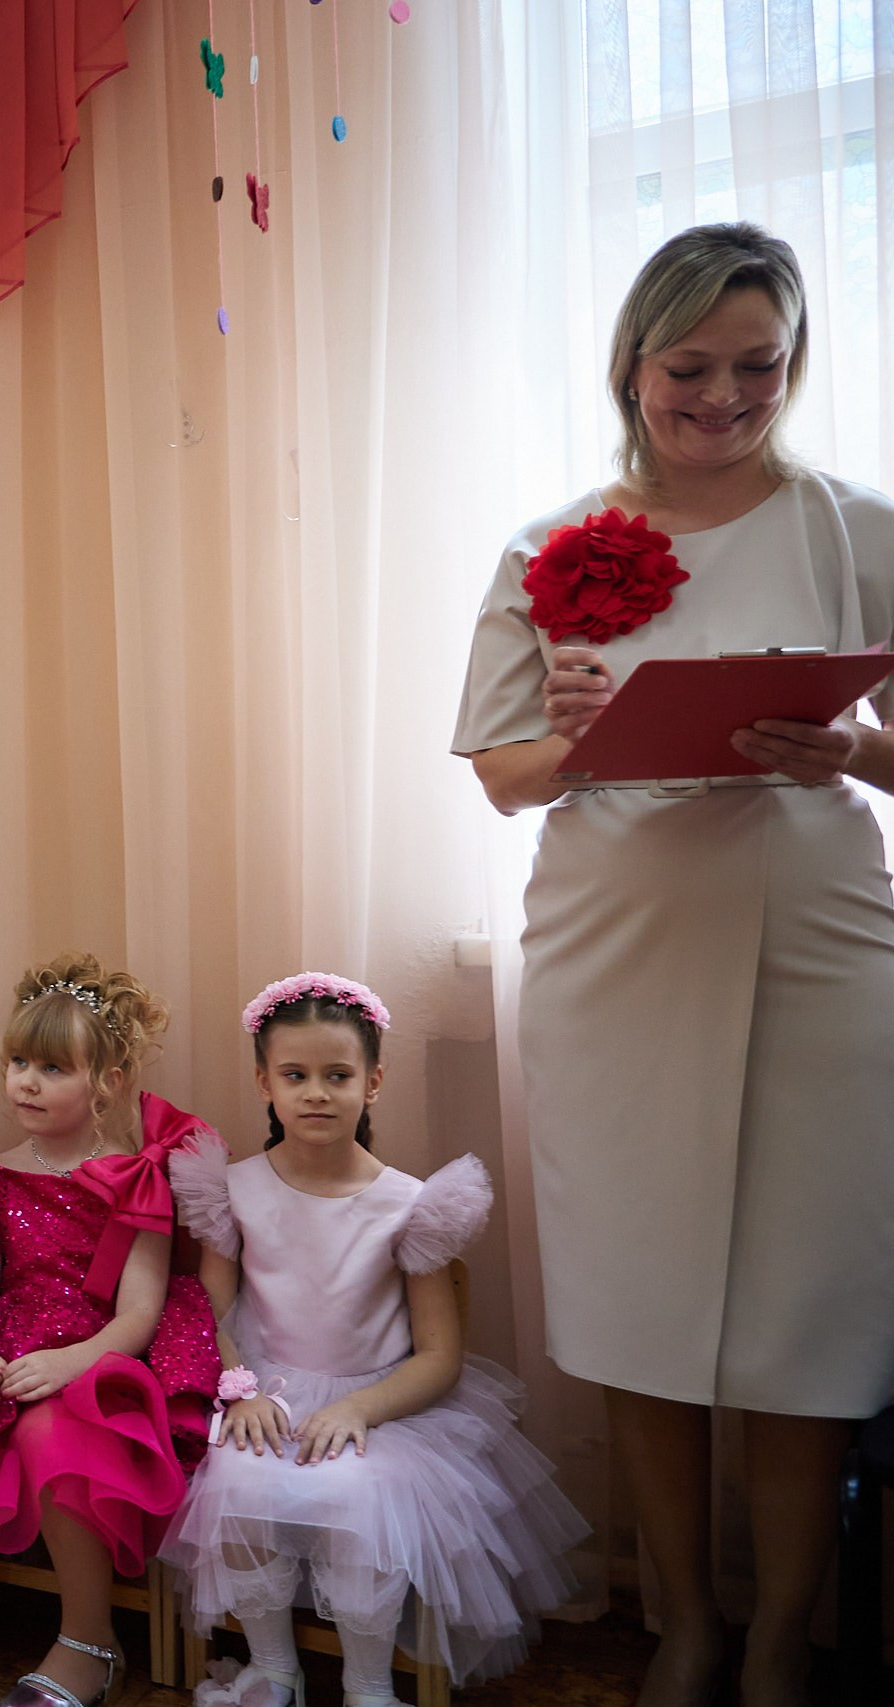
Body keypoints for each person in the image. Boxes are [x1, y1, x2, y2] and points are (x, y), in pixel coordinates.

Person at [452, 221, 894, 1707]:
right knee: (639, 1289)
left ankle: (781, 1635)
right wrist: (576, 738)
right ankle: (683, 1621)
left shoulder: (855, 525)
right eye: (691, 367)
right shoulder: (552, 542)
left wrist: (854, 746)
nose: (725, 395)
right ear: (633, 364)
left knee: (804, 1301)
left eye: (758, 364)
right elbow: (505, 775)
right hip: (616, 944)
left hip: (818, 942)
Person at [163, 975, 586, 1707]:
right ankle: (273, 1669)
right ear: (265, 1081)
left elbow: (438, 1356)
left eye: (338, 1075)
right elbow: (209, 1316)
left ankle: (367, 1683)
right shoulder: (234, 1188)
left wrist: (361, 1409)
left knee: (361, 1494)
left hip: (378, 1403)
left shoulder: (410, 1204)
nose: (317, 1093)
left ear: (374, 1080)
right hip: (264, 1392)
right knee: (237, 1478)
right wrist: (242, 1389)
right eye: (295, 1075)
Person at [0, 957, 220, 1707]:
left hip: (96, 1359)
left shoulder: (137, 1178)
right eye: (18, 1061)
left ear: (108, 1079)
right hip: (0, 1345)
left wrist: (72, 1362)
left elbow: (140, 1311)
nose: (24, 1079)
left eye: (52, 1067)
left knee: (49, 1436)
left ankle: (90, 1637)